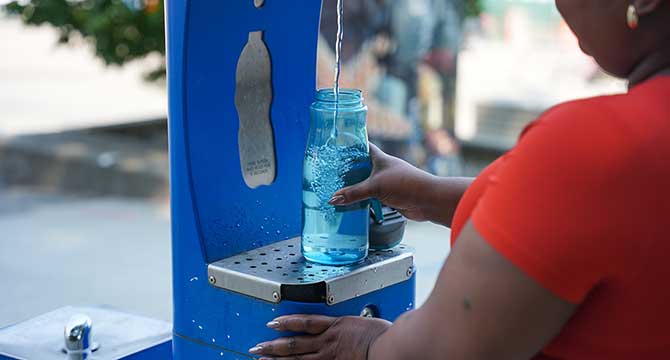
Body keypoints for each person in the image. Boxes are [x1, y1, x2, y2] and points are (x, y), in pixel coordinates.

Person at [250, 0, 670, 358]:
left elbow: (443, 349)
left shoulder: (589, 149)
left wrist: (367, 345)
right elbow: (585, 221)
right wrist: (429, 193)